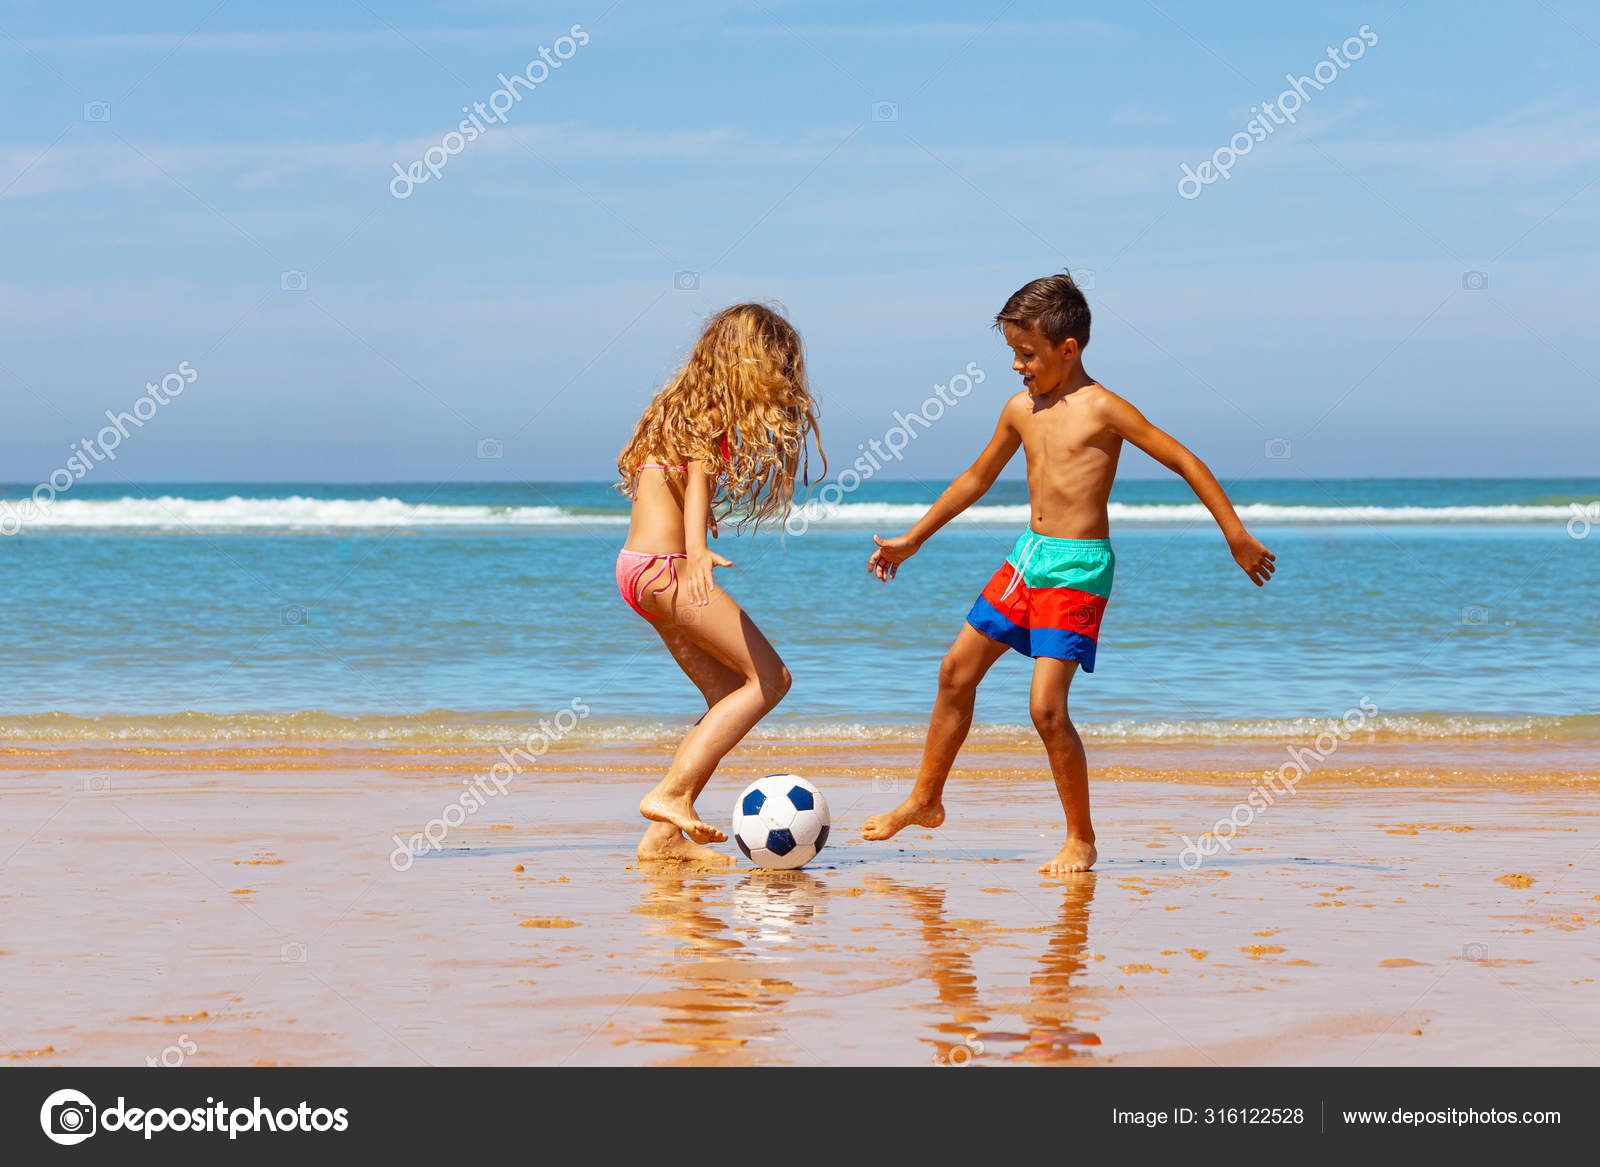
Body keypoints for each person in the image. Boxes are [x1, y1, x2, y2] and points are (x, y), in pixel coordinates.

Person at [861, 272, 1275, 872]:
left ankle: (1081, 837)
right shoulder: (1019, 410)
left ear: (1068, 349)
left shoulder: (1103, 408)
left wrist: (1235, 535)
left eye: (1026, 354)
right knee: (954, 672)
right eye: (1012, 354)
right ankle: (925, 800)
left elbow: (1185, 459)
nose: (1017, 367)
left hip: (1079, 568)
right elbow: (975, 480)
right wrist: (911, 541)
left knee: (1045, 709)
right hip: (1028, 557)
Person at [614, 303, 824, 862]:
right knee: (771, 679)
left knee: (728, 693)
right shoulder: (708, 415)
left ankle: (663, 837)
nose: (782, 379)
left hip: (638, 570)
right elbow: (702, 468)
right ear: (745, 362)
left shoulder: (676, 408)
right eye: (775, 366)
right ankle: (671, 795)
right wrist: (698, 549)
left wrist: (690, 522)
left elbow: (671, 476)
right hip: (668, 568)